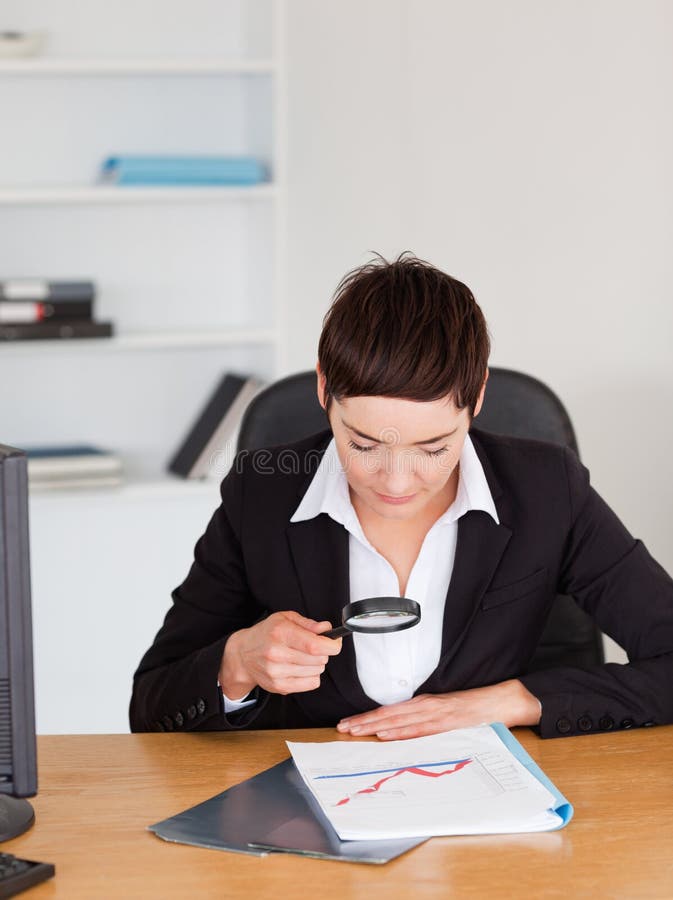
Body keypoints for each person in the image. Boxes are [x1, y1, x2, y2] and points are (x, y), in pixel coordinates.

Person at [130, 253, 673, 739]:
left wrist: (512, 700)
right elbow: (150, 707)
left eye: (433, 448)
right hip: (302, 803)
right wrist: (237, 663)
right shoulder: (260, 494)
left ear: (477, 397)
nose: (395, 483)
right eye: (364, 445)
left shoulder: (547, 489)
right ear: (324, 389)